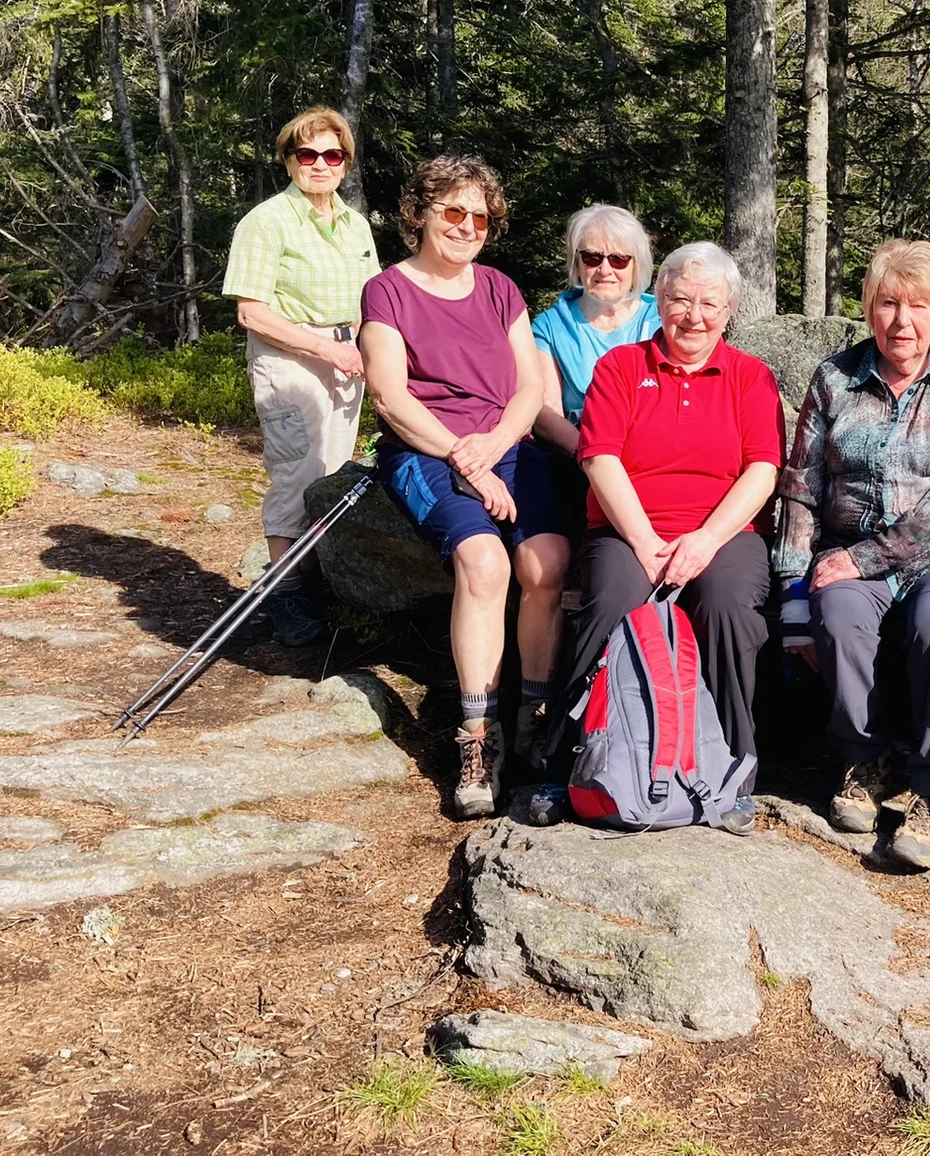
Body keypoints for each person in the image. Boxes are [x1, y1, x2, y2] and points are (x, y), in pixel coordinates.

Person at [774, 240, 930, 870]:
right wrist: (793, 597)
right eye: (889, 303)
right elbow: (802, 488)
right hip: (845, 550)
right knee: (839, 613)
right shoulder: (834, 378)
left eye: (919, 305)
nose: (903, 321)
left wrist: (872, 556)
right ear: (869, 307)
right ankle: (863, 759)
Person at [359, 155, 565, 821]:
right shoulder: (387, 292)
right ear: (420, 214)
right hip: (427, 450)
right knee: (485, 562)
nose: (467, 226)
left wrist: (496, 447)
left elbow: (529, 387)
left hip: (505, 444)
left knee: (548, 561)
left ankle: (535, 717)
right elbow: (390, 398)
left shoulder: (501, 290)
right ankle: (477, 737)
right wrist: (465, 459)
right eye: (453, 211)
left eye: (481, 216)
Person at [571, 242, 783, 835]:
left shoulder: (750, 376)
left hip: (724, 532)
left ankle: (735, 768)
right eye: (680, 299)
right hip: (628, 529)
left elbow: (762, 470)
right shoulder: (620, 368)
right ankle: (580, 758)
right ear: (658, 300)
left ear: (730, 310)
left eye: (709, 304)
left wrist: (705, 541)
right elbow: (600, 458)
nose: (693, 316)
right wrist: (644, 542)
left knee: (727, 606)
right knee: (613, 601)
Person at [222, 106, 380, 646]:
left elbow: (371, 300)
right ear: (289, 161)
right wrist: (325, 348)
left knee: (333, 474)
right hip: (290, 360)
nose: (319, 165)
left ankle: (317, 581)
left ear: (345, 163)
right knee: (297, 474)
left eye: (332, 155)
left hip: (346, 357)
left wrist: (364, 350)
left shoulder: (355, 225)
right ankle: (285, 592)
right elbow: (252, 313)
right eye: (307, 154)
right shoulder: (265, 222)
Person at [530, 204, 661, 460]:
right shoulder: (550, 326)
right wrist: (590, 456)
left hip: (654, 454)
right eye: (592, 257)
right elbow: (546, 410)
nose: (605, 270)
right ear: (577, 262)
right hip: (580, 455)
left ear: (636, 265)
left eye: (618, 259)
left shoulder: (662, 320)